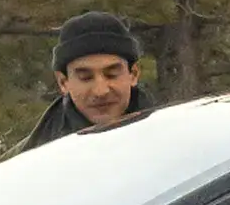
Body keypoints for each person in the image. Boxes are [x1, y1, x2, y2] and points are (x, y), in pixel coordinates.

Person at [21, 11, 154, 149]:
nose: (100, 91)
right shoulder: (27, 161)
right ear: (63, 82)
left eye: (112, 74)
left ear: (133, 74)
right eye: (86, 78)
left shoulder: (168, 139)